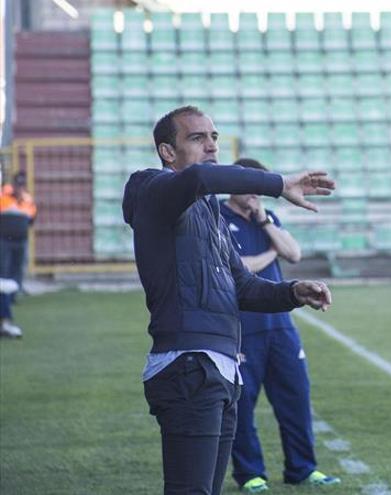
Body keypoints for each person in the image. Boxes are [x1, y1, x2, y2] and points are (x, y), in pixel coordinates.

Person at [122, 105, 336, 495]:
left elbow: (243, 287)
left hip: (220, 369)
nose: (211, 147)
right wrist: (278, 183)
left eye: (215, 137)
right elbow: (201, 177)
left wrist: (292, 292)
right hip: (190, 365)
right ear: (168, 151)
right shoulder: (150, 187)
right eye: (197, 138)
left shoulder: (208, 212)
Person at [219, 158, 340, 493]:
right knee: (243, 405)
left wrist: (265, 223)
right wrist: (273, 252)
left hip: (281, 326)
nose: (256, 191)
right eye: (249, 183)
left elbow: (295, 253)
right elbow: (239, 268)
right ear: (231, 185)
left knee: (296, 398)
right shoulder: (216, 217)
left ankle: (302, 469)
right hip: (243, 327)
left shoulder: (266, 217)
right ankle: (250, 474)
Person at [0, 171, 37, 339]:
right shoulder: (5, 194)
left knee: (17, 270)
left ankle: (13, 297)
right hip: (5, 239)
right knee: (4, 273)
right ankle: (5, 305)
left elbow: (32, 216)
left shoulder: (26, 198)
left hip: (20, 239)